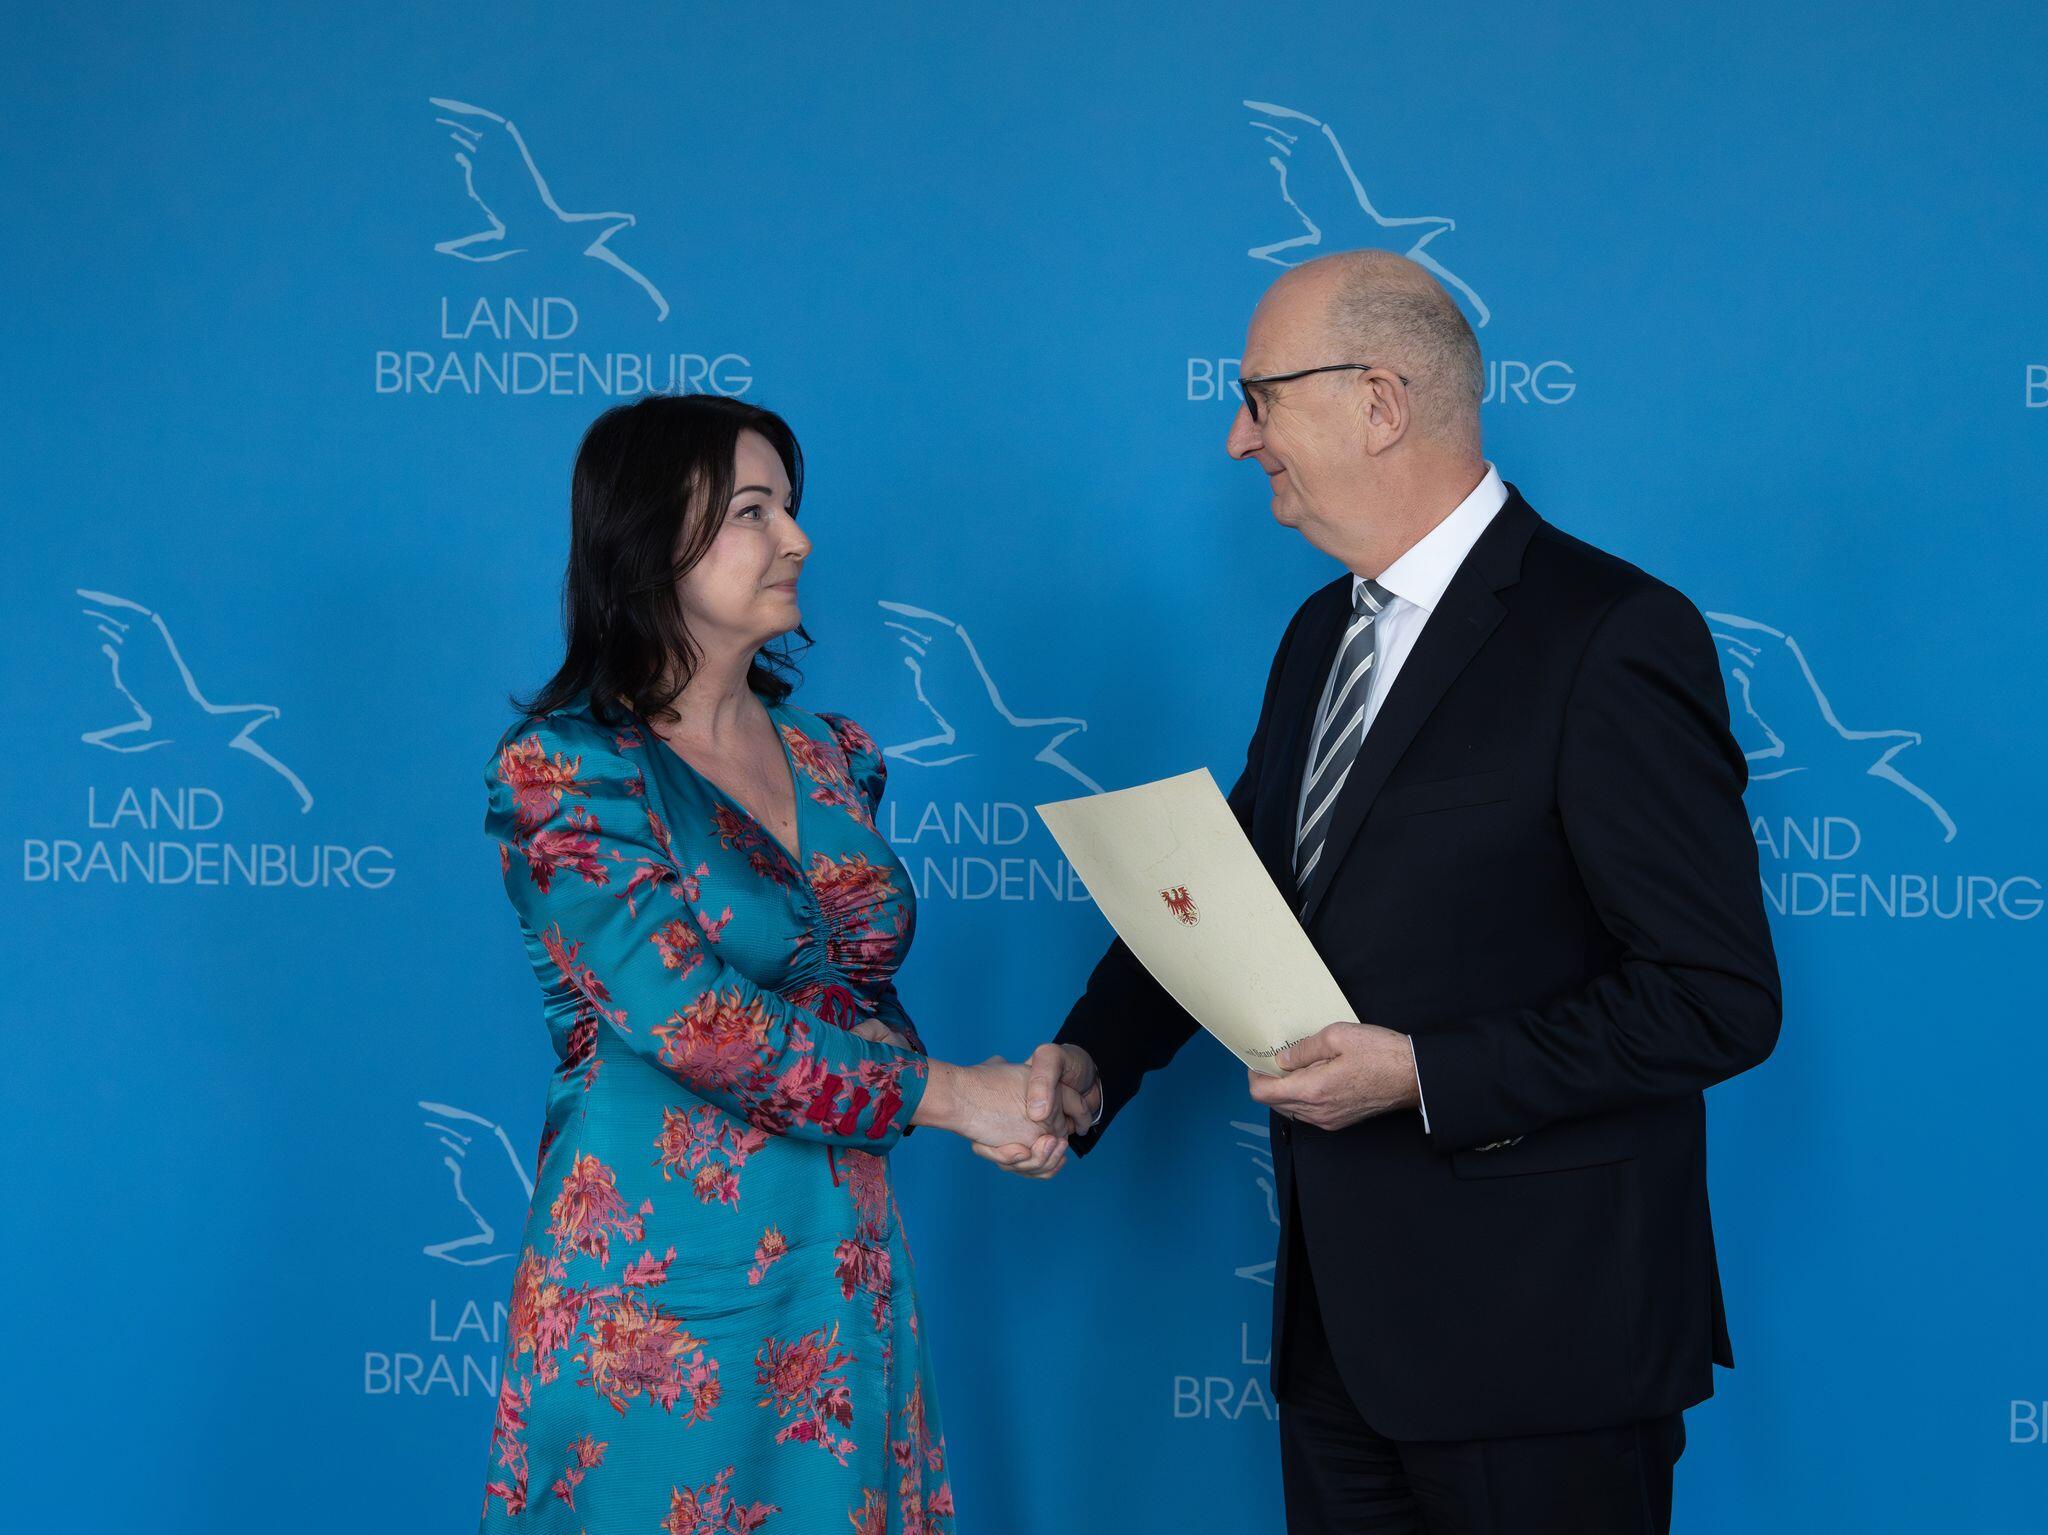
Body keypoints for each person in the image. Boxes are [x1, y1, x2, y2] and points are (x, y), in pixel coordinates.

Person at [986, 250, 1782, 1533]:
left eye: (1259, 397)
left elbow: (1715, 996)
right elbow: (1235, 889)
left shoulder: (1610, 634)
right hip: (1336, 1347)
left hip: (1543, 1349)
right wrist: (1091, 1058)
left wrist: (1422, 1073)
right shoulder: (1319, 633)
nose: (1236, 438)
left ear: (1377, 401)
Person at [472, 393, 1083, 1535]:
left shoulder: (830, 750)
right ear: (650, 540)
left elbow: (855, 997)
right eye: (753, 511)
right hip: (657, 1296)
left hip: (838, 1267)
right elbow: (699, 1022)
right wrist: (959, 1098)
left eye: (789, 507)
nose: (796, 538)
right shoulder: (563, 770)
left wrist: (1014, 1101)